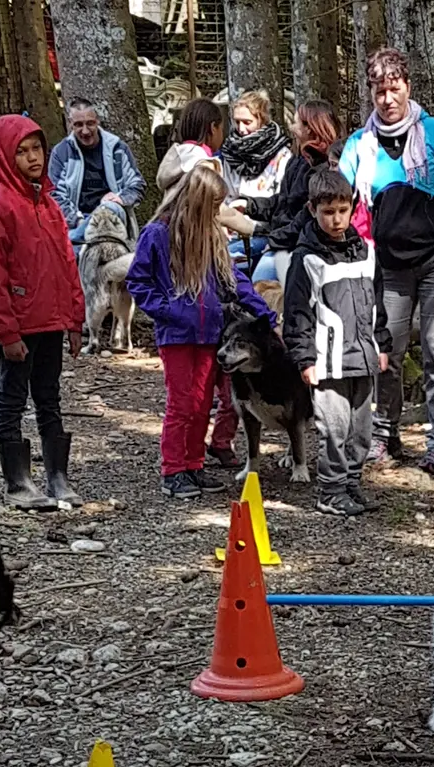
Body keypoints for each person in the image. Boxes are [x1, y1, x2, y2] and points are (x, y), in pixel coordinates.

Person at [339, 46, 434, 473]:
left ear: (408, 88)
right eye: (379, 91)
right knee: (388, 352)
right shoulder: (359, 145)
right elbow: (336, 197)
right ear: (371, 93)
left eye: (394, 89)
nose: (387, 99)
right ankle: (385, 433)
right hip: (391, 263)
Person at [125, 164, 276, 500]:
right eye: (213, 204)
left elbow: (233, 281)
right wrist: (168, 311)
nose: (217, 212)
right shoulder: (158, 234)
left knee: (202, 401)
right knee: (182, 403)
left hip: (211, 335)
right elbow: (138, 281)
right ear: (196, 200)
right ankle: (173, 469)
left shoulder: (211, 235)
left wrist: (263, 312)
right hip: (177, 335)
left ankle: (194, 464)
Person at [0, 115, 86, 509]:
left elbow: (67, 265)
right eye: (21, 151)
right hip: (19, 325)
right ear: (4, 156)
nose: (32, 157)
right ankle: (18, 481)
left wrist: (75, 319)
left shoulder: (50, 206)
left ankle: (57, 476)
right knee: (12, 401)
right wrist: (6, 333)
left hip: (52, 320)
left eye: (36, 148)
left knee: (49, 398)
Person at [284, 170, 391, 516]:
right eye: (328, 212)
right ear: (313, 209)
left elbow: (378, 304)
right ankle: (330, 490)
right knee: (334, 428)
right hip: (327, 362)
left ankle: (352, 481)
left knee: (361, 429)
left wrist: (382, 344)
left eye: (343, 210)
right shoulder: (306, 259)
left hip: (363, 356)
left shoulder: (366, 253)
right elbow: (296, 313)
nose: (336, 219)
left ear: (352, 208)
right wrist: (304, 359)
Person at [252, 101, 340, 286]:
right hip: (280, 237)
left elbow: (305, 219)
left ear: (310, 128)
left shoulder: (324, 170)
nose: (292, 128)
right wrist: (248, 205)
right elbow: (282, 202)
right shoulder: (297, 160)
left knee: (259, 282)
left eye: (297, 123)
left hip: (299, 245)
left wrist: (273, 240)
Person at [48, 97, 146, 243]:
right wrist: (78, 220)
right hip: (77, 221)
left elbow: (138, 185)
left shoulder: (117, 148)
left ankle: (77, 237)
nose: (85, 131)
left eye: (90, 123)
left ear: (97, 121)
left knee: (108, 208)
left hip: (112, 217)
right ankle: (82, 233)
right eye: (79, 125)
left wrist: (121, 198)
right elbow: (54, 195)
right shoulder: (61, 152)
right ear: (70, 124)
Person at [219, 90, 292, 265]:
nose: (241, 129)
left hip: (265, 232)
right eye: (237, 122)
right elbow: (227, 195)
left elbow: (282, 203)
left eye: (247, 122)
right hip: (233, 231)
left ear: (262, 120)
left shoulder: (281, 155)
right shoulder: (230, 153)